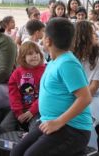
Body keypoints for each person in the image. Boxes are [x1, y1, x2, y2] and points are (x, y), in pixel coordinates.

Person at [11, 18, 92, 156]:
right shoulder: (54, 61)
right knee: (17, 152)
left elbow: (85, 98)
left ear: (47, 41)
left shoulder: (67, 63)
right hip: (49, 123)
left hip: (73, 129)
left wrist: (58, 122)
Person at [72, 21, 99, 150]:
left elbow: (93, 88)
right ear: (83, 37)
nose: (96, 35)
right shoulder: (70, 55)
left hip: (95, 97)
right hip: (72, 96)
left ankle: (90, 152)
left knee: (84, 120)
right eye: (92, 33)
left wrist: (74, 107)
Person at [1, 42, 45, 132]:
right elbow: (13, 94)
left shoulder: (46, 71)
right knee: (4, 127)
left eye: (37, 53)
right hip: (20, 109)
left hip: (38, 110)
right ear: (23, 57)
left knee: (35, 131)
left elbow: (45, 95)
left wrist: (32, 111)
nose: (35, 56)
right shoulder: (17, 73)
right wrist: (18, 112)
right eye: (30, 54)